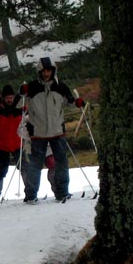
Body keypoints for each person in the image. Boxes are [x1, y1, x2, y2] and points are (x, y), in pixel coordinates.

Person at [20, 57, 84, 204]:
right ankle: (30, 195)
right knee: (35, 164)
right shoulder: (31, 88)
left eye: (48, 70)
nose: (46, 73)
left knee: (61, 163)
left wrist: (78, 103)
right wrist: (21, 92)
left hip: (57, 131)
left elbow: (70, 103)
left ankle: (62, 192)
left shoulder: (61, 87)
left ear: (53, 71)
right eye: (43, 71)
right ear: (39, 72)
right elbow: (19, 103)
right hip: (38, 132)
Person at [0, 85, 24, 201]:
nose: (9, 100)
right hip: (2, 144)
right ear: (3, 98)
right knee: (1, 170)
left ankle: (30, 191)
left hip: (17, 142)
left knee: (24, 167)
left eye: (11, 97)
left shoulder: (19, 107)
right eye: (7, 98)